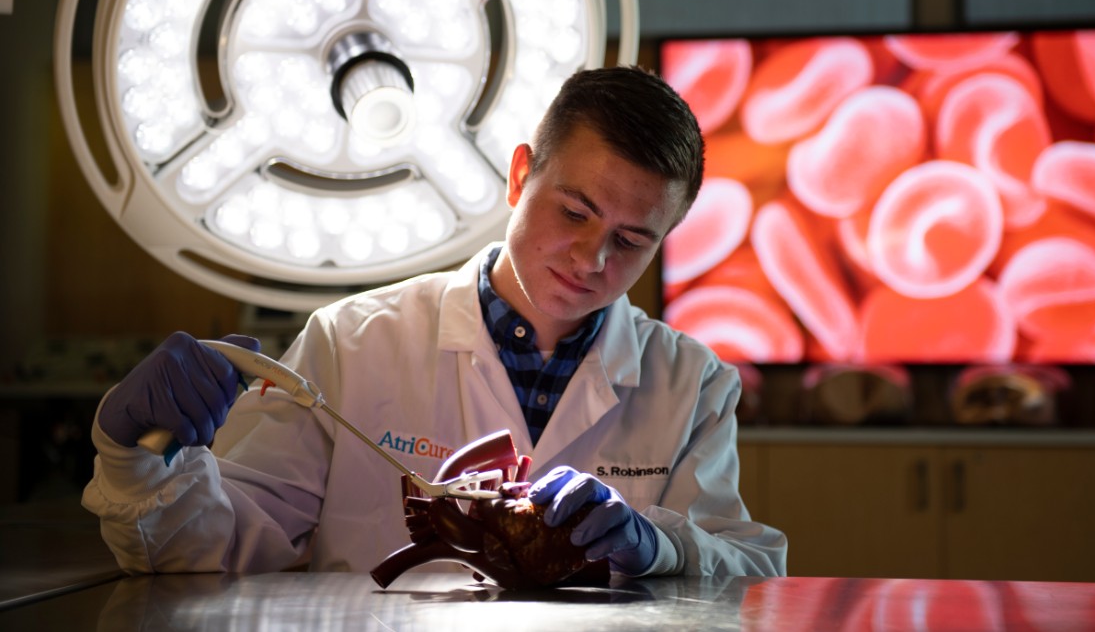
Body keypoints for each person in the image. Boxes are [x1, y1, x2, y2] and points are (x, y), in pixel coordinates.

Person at [83, 65, 787, 579]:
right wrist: (131, 458)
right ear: (521, 176)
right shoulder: (351, 343)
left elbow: (753, 572)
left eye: (631, 241)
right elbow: (216, 547)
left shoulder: (690, 382)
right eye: (574, 212)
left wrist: (658, 546)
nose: (591, 258)